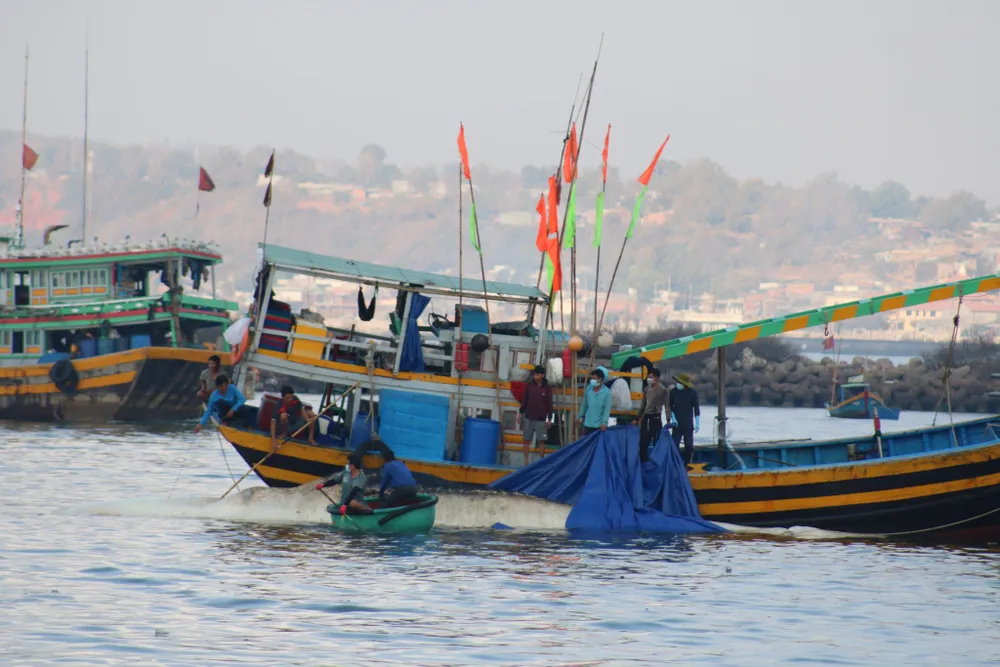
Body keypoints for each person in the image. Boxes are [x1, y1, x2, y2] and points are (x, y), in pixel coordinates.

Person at [633, 368, 669, 463]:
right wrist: (637, 418)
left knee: (657, 441)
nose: (649, 379)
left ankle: (657, 462)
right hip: (646, 418)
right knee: (642, 442)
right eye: (648, 377)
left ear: (656, 378)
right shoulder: (646, 389)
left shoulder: (663, 390)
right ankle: (643, 461)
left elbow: (667, 406)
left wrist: (669, 420)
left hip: (656, 418)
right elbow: (643, 405)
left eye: (651, 377)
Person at [519, 364, 554, 462]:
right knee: (526, 440)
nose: (535, 376)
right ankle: (526, 461)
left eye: (537, 374)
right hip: (528, 417)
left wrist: (550, 419)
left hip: (541, 419)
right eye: (534, 374)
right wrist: (520, 413)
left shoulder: (547, 388)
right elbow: (524, 401)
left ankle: (541, 461)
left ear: (542, 375)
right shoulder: (529, 386)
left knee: (542, 441)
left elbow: (549, 404)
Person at [270, 385, 318, 450]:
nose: (290, 399)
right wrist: (273, 441)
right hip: (284, 427)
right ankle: (284, 433)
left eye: (291, 397)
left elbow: (302, 408)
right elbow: (273, 423)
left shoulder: (295, 398)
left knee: (311, 414)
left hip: (295, 422)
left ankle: (310, 438)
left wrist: (307, 419)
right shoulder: (278, 406)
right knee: (284, 415)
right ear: (283, 397)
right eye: (287, 397)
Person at [669, 372, 701, 464]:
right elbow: (670, 406)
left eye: (680, 382)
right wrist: (673, 418)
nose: (678, 384)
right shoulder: (673, 392)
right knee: (674, 445)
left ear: (685, 384)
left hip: (688, 424)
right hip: (677, 424)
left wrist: (697, 422)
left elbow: (696, 408)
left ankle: (688, 463)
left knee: (689, 446)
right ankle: (676, 463)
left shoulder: (692, 393)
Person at [577, 368, 612, 436]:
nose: (592, 381)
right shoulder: (588, 389)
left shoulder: (607, 392)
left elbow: (607, 409)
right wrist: (579, 416)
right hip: (587, 423)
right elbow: (584, 405)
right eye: (592, 378)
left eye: (595, 379)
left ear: (600, 379)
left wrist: (604, 422)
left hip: (599, 426)